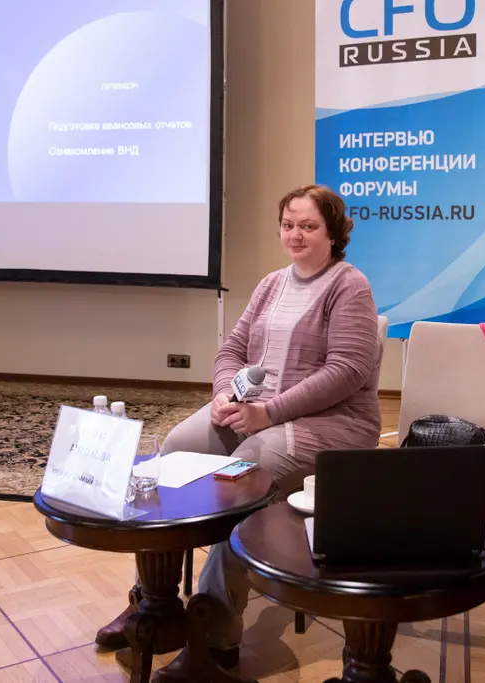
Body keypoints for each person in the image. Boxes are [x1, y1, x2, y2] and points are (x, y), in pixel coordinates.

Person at [96, 184, 383, 679]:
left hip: (331, 425)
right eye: (288, 225)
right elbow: (232, 349)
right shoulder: (272, 283)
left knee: (244, 473)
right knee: (176, 447)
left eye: (308, 226)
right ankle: (154, 601)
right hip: (257, 411)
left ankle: (216, 634)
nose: (296, 235)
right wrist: (225, 394)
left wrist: (269, 413)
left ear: (334, 234)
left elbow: (348, 371)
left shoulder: (350, 286)